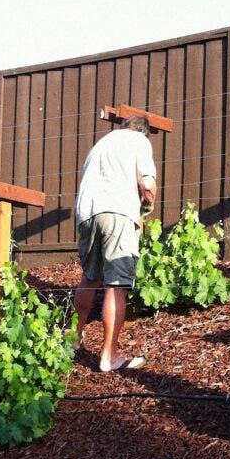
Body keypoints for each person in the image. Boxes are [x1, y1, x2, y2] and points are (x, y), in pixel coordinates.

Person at [73, 114, 157, 372]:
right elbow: (147, 183)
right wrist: (149, 202)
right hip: (117, 212)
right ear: (143, 131)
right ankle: (109, 357)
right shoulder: (140, 141)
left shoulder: (101, 143)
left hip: (86, 213)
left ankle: (74, 339)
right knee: (116, 286)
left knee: (89, 277)